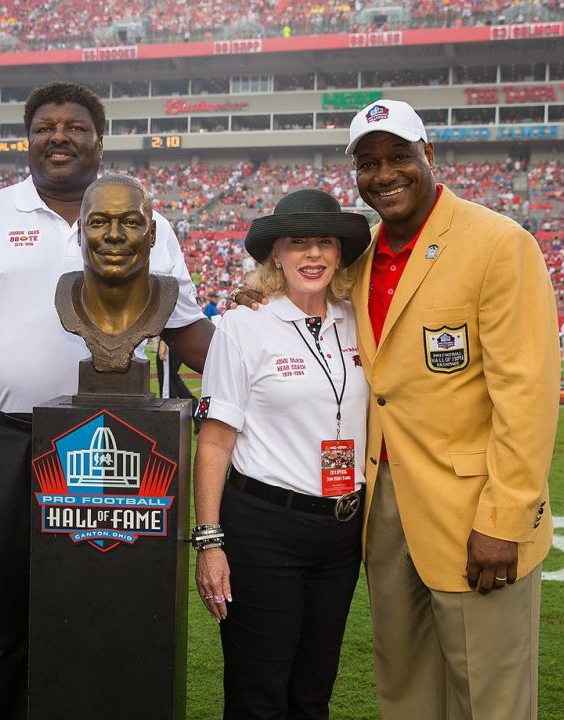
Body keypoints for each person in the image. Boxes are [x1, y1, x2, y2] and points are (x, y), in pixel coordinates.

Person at [0, 81, 216, 720]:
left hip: (109, 441)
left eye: (76, 126)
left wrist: (269, 352)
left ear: (98, 140)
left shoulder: (147, 223)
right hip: (1, 434)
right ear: (28, 139)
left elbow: (190, 333)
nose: (60, 136)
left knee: (102, 600)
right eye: (46, 126)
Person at [346, 99, 559, 719]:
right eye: (368, 163)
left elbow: (527, 392)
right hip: (385, 502)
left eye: (398, 157)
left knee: (490, 697)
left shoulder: (497, 243)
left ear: (428, 155)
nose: (384, 174)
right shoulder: (360, 257)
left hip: (475, 511)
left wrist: (505, 516)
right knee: (405, 688)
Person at [193, 189, 372, 720]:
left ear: (340, 253)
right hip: (265, 527)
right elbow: (216, 439)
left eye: (324, 242)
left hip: (342, 530)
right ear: (276, 253)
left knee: (313, 690)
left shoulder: (357, 318)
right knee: (258, 691)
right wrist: (209, 542)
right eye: (299, 243)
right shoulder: (244, 324)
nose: (313, 255)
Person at [55, 174, 179, 374]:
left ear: (153, 234)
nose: (114, 235)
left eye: (130, 222)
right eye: (98, 222)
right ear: (80, 232)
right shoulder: (67, 295)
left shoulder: (166, 293)